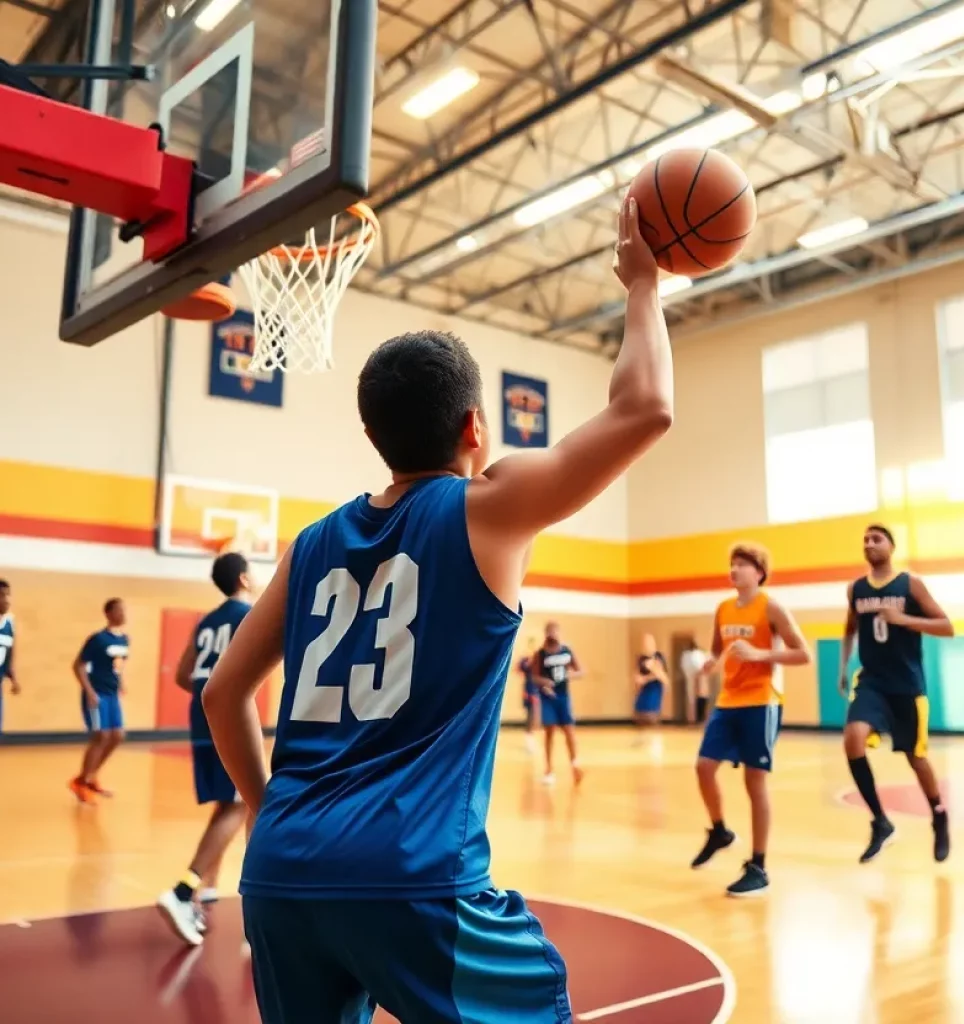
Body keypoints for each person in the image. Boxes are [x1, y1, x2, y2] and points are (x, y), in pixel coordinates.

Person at [201, 196, 672, 1024]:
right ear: (474, 429)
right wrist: (644, 285)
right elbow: (645, 410)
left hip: (282, 875)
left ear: (375, 434)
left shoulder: (310, 544)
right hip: (411, 877)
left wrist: (273, 814)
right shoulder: (484, 509)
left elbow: (221, 693)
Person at [691, 544, 810, 897]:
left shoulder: (771, 607)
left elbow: (803, 653)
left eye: (742, 564)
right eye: (732, 564)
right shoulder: (723, 609)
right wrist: (712, 663)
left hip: (762, 701)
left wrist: (761, 654)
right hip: (729, 700)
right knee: (703, 766)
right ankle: (720, 831)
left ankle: (758, 865)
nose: (735, 569)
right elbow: (718, 648)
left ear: (759, 572)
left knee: (753, 781)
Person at [839, 524, 953, 864]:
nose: (869, 544)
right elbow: (848, 630)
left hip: (906, 685)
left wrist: (903, 619)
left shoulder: (910, 584)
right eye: (865, 540)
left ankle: (939, 814)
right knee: (852, 738)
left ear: (891, 546)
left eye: (877, 539)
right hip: (872, 682)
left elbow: (947, 626)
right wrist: (842, 668)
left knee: (915, 758)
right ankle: (880, 821)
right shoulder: (856, 589)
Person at [158, 552, 253, 946]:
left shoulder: (206, 620)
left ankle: (205, 889)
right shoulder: (248, 614)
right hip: (226, 719)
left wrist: (206, 693)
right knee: (239, 804)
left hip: (200, 720)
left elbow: (183, 674)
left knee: (225, 803)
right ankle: (183, 890)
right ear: (245, 578)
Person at [70, 598, 129, 804]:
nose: (124, 613)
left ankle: (90, 775)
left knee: (118, 736)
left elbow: (118, 665)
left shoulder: (124, 639)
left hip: (112, 695)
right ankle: (81, 784)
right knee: (101, 736)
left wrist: (121, 682)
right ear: (109, 613)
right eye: (120, 610)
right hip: (97, 694)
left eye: (125, 610)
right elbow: (78, 666)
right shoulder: (98, 639)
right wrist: (89, 692)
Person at [533, 621, 584, 785]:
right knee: (549, 731)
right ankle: (548, 769)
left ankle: (575, 764)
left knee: (569, 730)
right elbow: (534, 677)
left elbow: (581, 670)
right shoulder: (540, 654)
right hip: (548, 698)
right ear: (546, 634)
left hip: (563, 697)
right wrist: (545, 682)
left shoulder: (567, 651)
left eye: (555, 631)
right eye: (549, 632)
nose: (552, 635)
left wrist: (571, 675)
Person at [633, 633, 667, 755]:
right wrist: (638, 680)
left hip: (654, 689)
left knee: (652, 716)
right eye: (645, 642)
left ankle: (655, 741)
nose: (646, 644)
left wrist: (651, 672)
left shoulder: (658, 657)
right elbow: (636, 676)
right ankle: (641, 740)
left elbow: (662, 677)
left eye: (649, 642)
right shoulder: (641, 659)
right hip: (644, 690)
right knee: (639, 715)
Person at [0, 580, 19, 731]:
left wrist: (13, 678)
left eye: (8, 595)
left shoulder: (9, 623)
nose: (6, 599)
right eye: (1, 595)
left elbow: (8, 652)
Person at [680, 637, 710, 724]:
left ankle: (694, 719)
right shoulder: (695, 655)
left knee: (694, 700)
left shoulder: (687, 656)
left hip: (695, 679)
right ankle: (696, 719)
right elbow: (701, 667)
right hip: (696, 679)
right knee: (697, 699)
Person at [518, 639, 540, 753]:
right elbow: (518, 669)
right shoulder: (526, 660)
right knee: (530, 717)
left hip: (536, 690)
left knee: (535, 718)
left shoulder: (538, 659)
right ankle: (529, 741)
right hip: (529, 691)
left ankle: (530, 740)